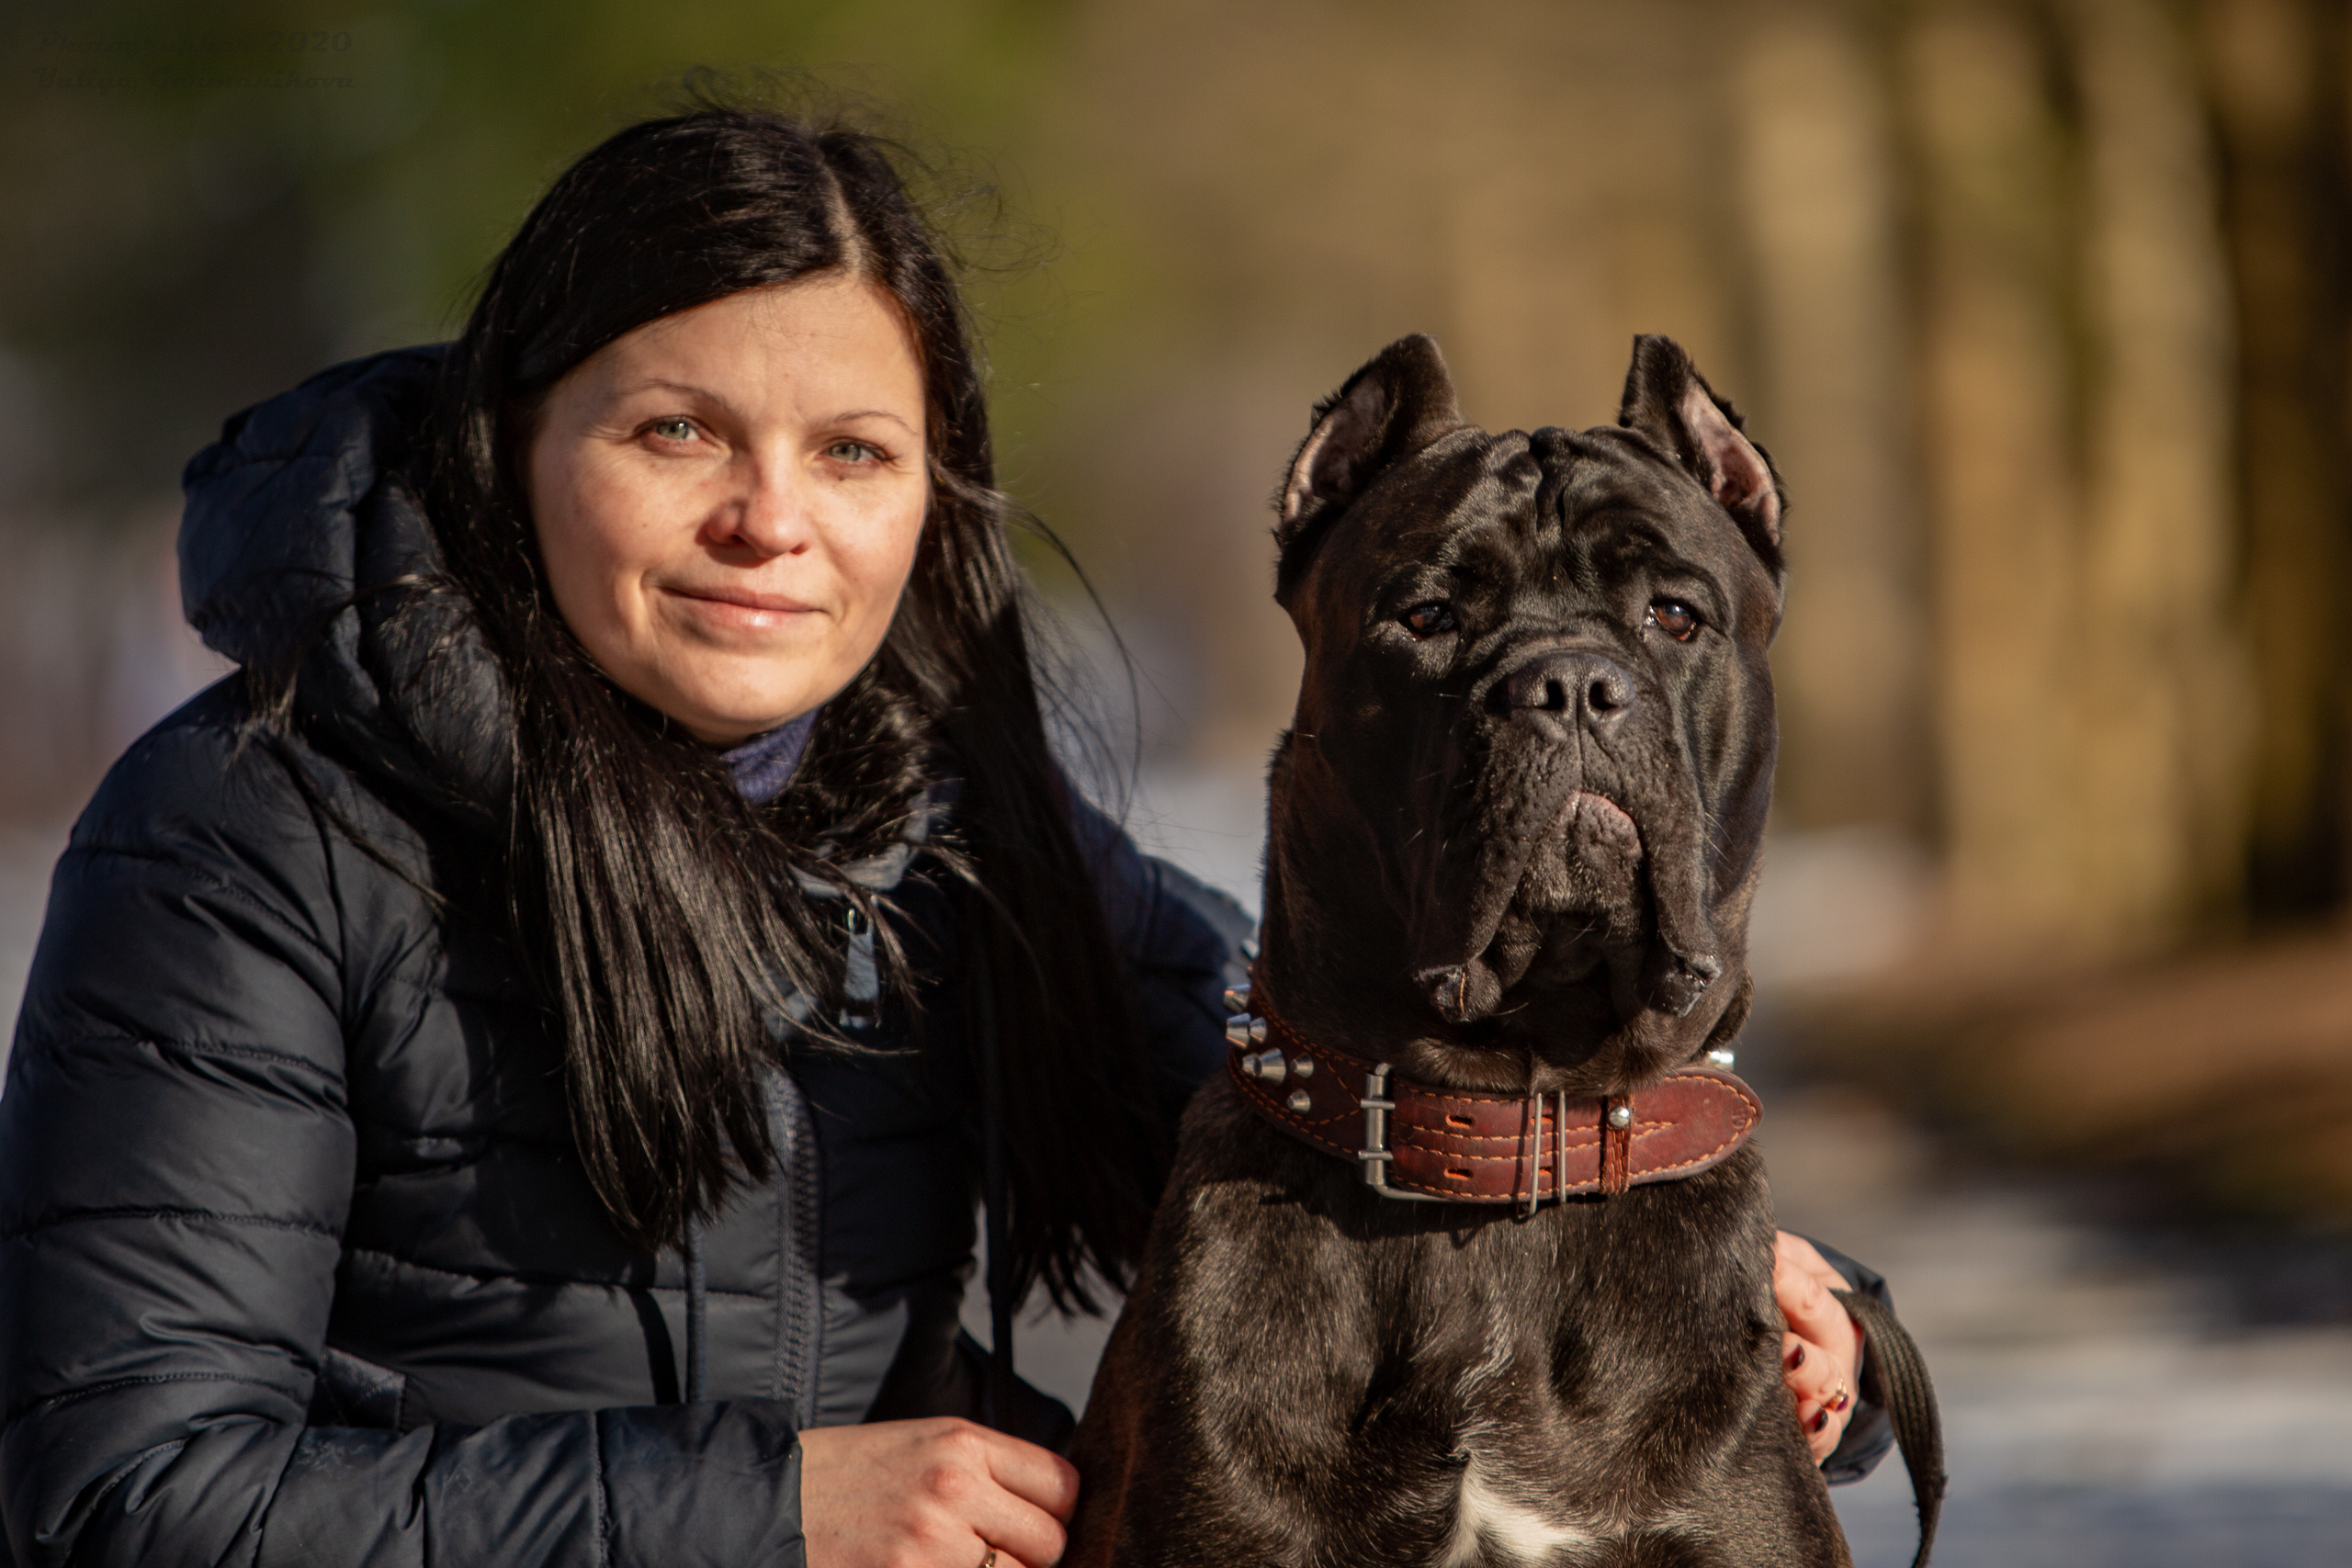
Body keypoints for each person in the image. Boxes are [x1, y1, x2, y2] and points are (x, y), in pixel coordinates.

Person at [0, 107, 1886, 1568]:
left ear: (931, 492)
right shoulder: (240, 836)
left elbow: (1325, 1089)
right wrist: (770, 1515)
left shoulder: (941, 815)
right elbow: (126, 1489)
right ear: (511, 443)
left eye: (850, 451)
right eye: (673, 432)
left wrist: (1795, 1296)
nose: (771, 520)